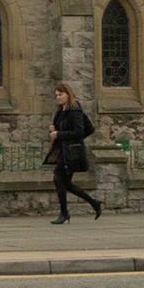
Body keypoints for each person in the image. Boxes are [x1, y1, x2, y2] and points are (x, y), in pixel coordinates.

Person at [44, 81, 102, 224]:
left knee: (58, 178)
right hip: (64, 150)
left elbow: (81, 131)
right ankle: (94, 203)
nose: (58, 97)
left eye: (60, 94)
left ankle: (64, 214)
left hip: (71, 153)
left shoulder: (74, 109)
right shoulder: (61, 110)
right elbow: (85, 129)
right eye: (56, 95)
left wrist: (61, 135)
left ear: (67, 94)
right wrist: (53, 129)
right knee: (66, 183)